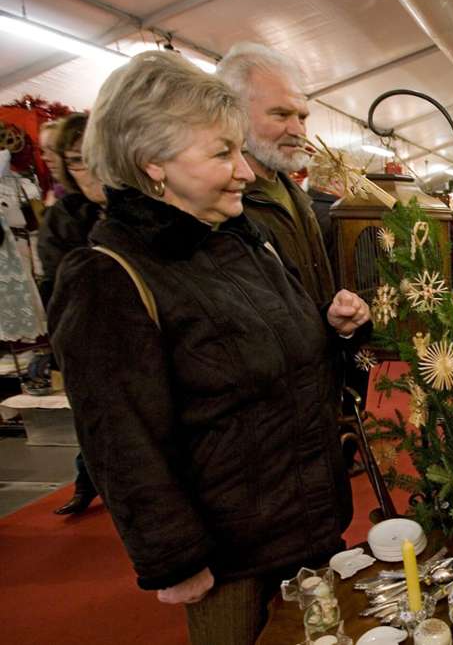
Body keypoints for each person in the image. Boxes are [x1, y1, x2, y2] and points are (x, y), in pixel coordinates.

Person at [49, 51, 370, 644]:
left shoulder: (245, 244)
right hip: (233, 564)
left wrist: (336, 331)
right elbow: (120, 438)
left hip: (308, 528)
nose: (245, 171)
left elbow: (285, 365)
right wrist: (172, 558)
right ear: (153, 166)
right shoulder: (109, 276)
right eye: (222, 153)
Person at [216, 42, 335, 303]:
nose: (298, 131)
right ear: (236, 115)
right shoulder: (224, 206)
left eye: (302, 117)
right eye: (281, 115)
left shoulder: (295, 194)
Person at [35, 113, 107, 516]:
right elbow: (58, 293)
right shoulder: (65, 218)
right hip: (90, 346)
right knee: (94, 426)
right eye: (76, 160)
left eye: (93, 157)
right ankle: (86, 481)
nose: (89, 170)